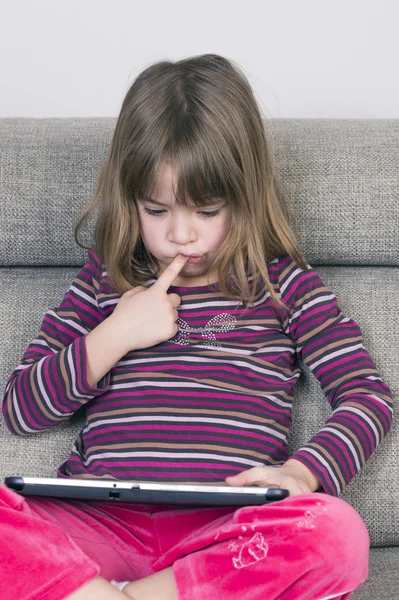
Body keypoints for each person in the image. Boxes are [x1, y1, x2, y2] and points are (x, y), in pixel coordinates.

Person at [0, 53, 393, 600]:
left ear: (244, 195)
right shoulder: (104, 281)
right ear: (130, 200)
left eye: (207, 211)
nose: (181, 235)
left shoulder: (285, 285)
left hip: (224, 534)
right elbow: (19, 408)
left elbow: (367, 396)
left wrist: (304, 474)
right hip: (99, 522)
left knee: (334, 535)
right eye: (156, 211)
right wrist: (115, 333)